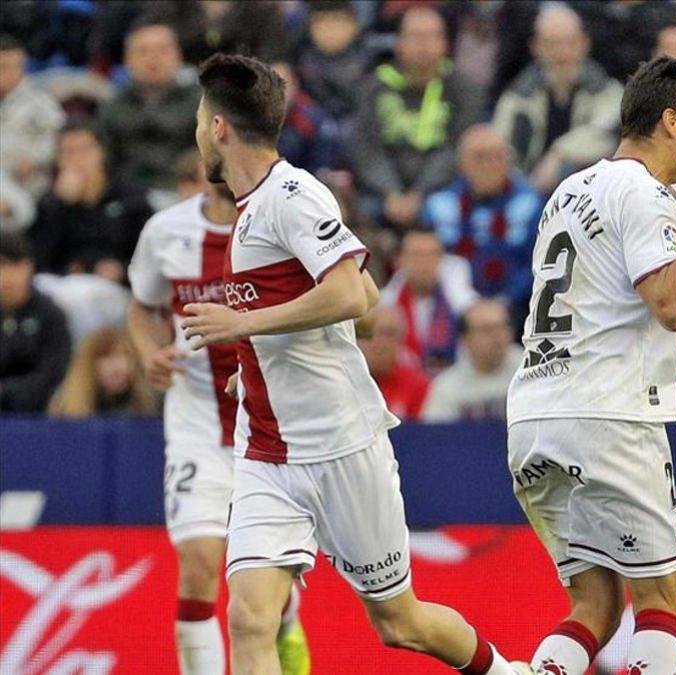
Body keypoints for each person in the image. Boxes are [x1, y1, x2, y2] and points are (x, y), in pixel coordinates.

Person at [179, 53, 524, 675]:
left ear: (221, 128)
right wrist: (256, 359)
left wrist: (244, 325)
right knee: (249, 618)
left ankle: (510, 673)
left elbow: (352, 293)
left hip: (340, 445)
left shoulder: (290, 193)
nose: (198, 131)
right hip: (266, 452)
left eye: (201, 120)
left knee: (401, 624)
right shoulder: (252, 207)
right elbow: (340, 297)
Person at [507, 56, 676, 675]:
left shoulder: (571, 188)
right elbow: (672, 304)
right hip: (609, 415)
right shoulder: (647, 195)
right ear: (671, 122)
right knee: (660, 598)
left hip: (534, 416)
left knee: (592, 605)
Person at [126, 177, 311, 675]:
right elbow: (141, 308)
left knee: (262, 585)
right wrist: (149, 354)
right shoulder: (166, 232)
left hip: (273, 429)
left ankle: (287, 618)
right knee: (199, 564)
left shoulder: (282, 223)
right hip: (197, 428)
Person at [354, 6, 480, 228]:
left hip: (441, 188)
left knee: (447, 210)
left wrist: (419, 194)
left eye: (431, 37)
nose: (424, 45)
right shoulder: (374, 86)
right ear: (398, 43)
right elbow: (366, 146)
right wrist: (390, 191)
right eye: (415, 37)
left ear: (446, 43)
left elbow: (456, 148)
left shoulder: (464, 89)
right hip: (381, 191)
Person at [492, 3, 623, 195]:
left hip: (588, 193)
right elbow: (501, 146)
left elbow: (606, 136)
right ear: (535, 47)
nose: (562, 54)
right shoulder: (518, 96)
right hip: (526, 190)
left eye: (570, 43)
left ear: (584, 44)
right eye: (551, 44)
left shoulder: (607, 91)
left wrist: (558, 154)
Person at [421, 124, 542, 312]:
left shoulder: (531, 204)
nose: (489, 165)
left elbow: (536, 265)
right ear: (461, 163)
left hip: (516, 312)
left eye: (497, 157)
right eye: (480, 157)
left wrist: (504, 302)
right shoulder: (439, 206)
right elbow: (428, 264)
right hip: (451, 312)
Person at [30, 120, 153, 282]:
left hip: (119, 288)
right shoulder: (51, 203)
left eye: (84, 150)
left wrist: (122, 270)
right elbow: (38, 261)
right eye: (67, 152)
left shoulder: (129, 198)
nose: (76, 159)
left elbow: (151, 254)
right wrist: (61, 205)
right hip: (63, 283)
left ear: (102, 152)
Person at [97, 17, 202, 203]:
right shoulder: (112, 106)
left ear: (178, 55)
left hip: (188, 195)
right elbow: (106, 160)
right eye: (143, 51)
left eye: (162, 50)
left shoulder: (201, 103)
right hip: (129, 200)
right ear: (127, 60)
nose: (153, 59)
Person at [380, 228, 479, 374]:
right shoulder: (383, 306)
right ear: (399, 260)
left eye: (432, 255)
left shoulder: (466, 307)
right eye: (416, 255)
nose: (424, 263)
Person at [0, 233, 70, 412]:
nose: (7, 276)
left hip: (39, 413)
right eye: (1, 266)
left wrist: (6, 392)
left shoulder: (50, 314)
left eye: (15, 265)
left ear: (29, 266)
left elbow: (53, 371)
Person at [422, 299, 523, 422]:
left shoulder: (532, 369)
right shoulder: (447, 387)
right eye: (487, 330)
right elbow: (436, 435)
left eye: (502, 327)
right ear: (465, 339)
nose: (497, 336)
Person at [0, 33, 65, 200]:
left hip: (28, 187)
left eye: (12, 67)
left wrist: (35, 161)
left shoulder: (42, 103)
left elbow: (60, 140)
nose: (6, 73)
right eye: (2, 67)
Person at [46, 326, 156, 417]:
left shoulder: (148, 408)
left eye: (125, 355)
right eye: (107, 357)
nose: (118, 366)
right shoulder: (64, 408)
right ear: (89, 365)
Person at [358, 305, 429, 421]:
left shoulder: (418, 386)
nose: (378, 343)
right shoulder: (342, 383)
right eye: (369, 334)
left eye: (387, 334)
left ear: (402, 340)